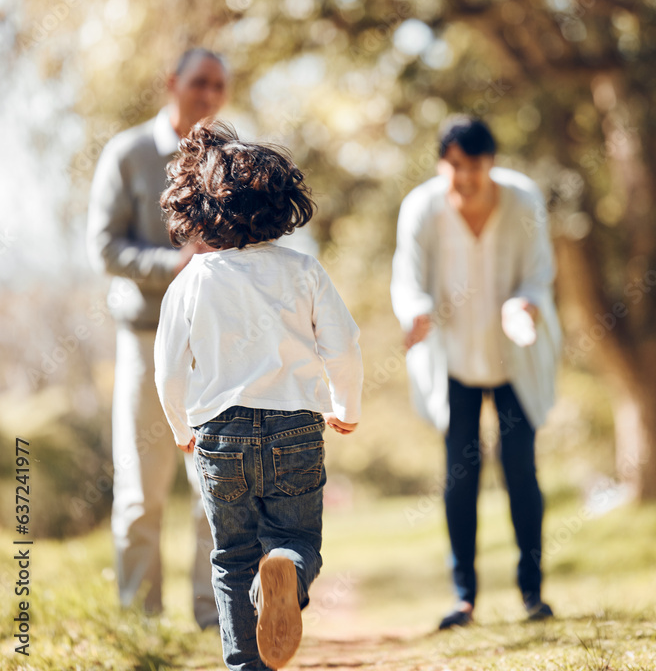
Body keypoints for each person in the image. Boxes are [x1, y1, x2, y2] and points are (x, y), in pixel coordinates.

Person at [153, 120, 363, 671]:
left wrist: (182, 432)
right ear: (280, 202)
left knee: (232, 557)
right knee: (296, 537)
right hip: (295, 424)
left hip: (219, 435)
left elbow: (168, 371)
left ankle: (247, 664)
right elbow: (344, 347)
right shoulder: (303, 271)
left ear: (198, 208)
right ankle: (288, 569)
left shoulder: (193, 280)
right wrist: (347, 407)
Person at [390, 115, 562, 629]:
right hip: (454, 362)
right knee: (459, 479)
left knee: (521, 471)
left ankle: (532, 593)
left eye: (477, 166)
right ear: (444, 164)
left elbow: (539, 273)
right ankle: (464, 597)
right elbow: (408, 278)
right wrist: (416, 312)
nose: (466, 178)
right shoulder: (421, 207)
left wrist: (525, 307)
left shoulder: (524, 199)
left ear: (492, 162)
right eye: (456, 166)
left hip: (515, 357)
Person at [86, 47, 229, 627]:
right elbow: (103, 247)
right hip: (145, 338)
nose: (209, 95)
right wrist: (171, 264)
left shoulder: (226, 158)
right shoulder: (128, 153)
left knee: (215, 487)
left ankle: (211, 617)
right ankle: (140, 625)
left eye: (219, 86)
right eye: (199, 83)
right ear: (171, 82)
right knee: (141, 491)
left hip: (214, 343)